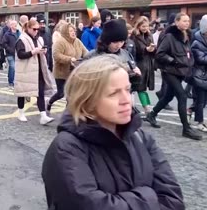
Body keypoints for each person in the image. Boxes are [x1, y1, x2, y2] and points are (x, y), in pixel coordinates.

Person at [42, 54, 185, 210]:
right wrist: (149, 196)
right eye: (113, 93)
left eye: (128, 90)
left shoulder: (141, 138)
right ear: (87, 100)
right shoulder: (66, 148)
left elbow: (173, 200)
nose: (127, 100)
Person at [146, 13, 202, 140]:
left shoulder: (187, 35)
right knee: (182, 95)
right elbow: (160, 54)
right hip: (170, 71)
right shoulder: (169, 36)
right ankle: (186, 128)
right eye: (184, 21)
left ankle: (152, 114)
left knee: (168, 96)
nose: (187, 23)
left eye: (188, 21)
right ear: (176, 22)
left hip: (181, 71)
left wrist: (190, 62)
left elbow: (188, 53)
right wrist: (173, 61)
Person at [14, 19, 55, 125]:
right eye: (34, 29)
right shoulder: (21, 39)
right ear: (28, 28)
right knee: (22, 92)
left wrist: (43, 51)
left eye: (38, 29)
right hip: (25, 70)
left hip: (38, 69)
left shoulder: (39, 39)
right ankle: (21, 113)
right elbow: (20, 54)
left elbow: (41, 53)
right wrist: (34, 52)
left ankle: (43, 116)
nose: (36, 31)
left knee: (40, 93)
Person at [47, 23, 88, 114]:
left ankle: (67, 114)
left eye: (74, 31)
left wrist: (90, 58)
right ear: (66, 32)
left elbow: (85, 52)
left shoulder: (77, 41)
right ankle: (50, 103)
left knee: (71, 95)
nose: (73, 33)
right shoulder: (60, 42)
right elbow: (56, 55)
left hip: (73, 72)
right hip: (61, 73)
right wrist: (69, 59)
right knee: (61, 93)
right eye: (70, 31)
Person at [131, 16, 156, 116]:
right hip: (138, 64)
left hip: (148, 64)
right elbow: (134, 51)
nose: (145, 28)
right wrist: (146, 50)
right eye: (143, 26)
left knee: (143, 87)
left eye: (147, 26)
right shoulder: (134, 36)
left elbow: (154, 51)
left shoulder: (149, 36)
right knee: (138, 88)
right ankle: (146, 109)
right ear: (138, 26)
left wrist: (153, 49)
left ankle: (146, 108)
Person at [190, 14, 207, 132]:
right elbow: (200, 59)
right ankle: (199, 122)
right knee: (201, 100)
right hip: (199, 75)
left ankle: (190, 110)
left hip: (204, 74)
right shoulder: (197, 42)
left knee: (203, 100)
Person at [2, 20, 19, 89]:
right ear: (11, 26)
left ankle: (11, 78)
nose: (16, 26)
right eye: (14, 25)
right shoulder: (7, 34)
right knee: (12, 67)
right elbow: (4, 43)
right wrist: (9, 49)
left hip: (17, 53)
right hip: (10, 53)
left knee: (14, 68)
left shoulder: (19, 33)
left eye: (16, 25)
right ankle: (11, 82)